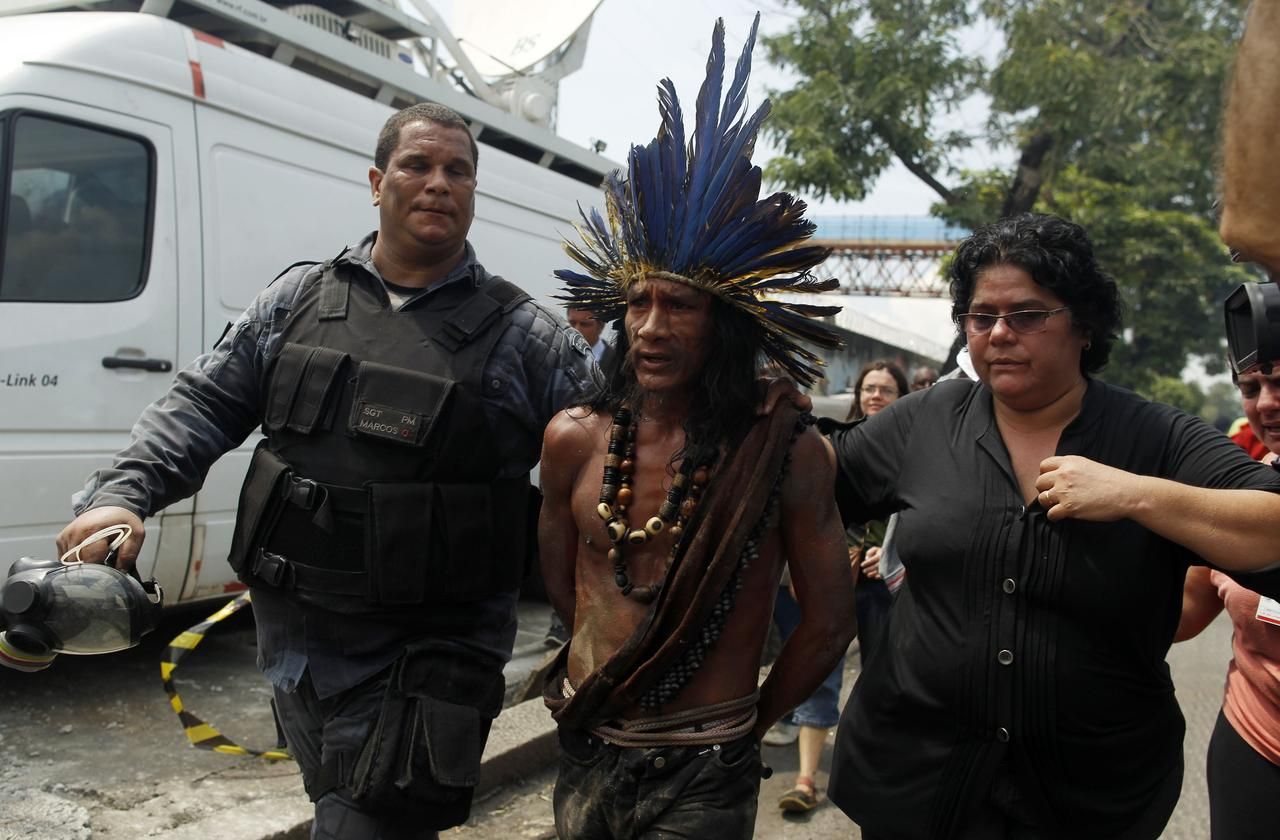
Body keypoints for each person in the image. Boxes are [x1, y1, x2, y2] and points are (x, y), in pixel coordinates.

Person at [55, 102, 601, 839]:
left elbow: (625, 451)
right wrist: (124, 496)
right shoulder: (299, 299)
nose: (439, 183)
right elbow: (204, 403)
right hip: (296, 648)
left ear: (474, 193)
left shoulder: (524, 337)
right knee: (351, 813)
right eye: (418, 165)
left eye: (458, 171)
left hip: (428, 655)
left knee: (359, 824)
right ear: (378, 183)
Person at [824, 212, 1280, 840]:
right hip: (918, 781)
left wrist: (1134, 495)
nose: (1000, 334)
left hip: (1088, 795)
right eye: (981, 317)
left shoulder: (1154, 436)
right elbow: (815, 485)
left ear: (1085, 325)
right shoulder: (922, 421)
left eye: (1028, 315)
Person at [537, 16, 857, 839]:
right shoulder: (574, 439)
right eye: (636, 302)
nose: (649, 325)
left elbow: (827, 621)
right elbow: (564, 582)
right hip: (589, 744)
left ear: (726, 325)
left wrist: (750, 725)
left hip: (705, 767)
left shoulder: (785, 454)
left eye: (678, 304)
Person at [1172, 362, 1280, 840]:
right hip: (1254, 738)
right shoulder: (1241, 492)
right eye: (1251, 388)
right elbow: (1188, 609)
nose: (1266, 404)